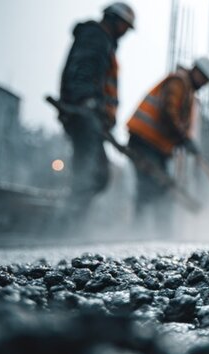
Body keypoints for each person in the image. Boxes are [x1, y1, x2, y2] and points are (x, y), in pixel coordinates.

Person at [58, 2, 135, 225]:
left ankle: (71, 222)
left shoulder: (103, 41)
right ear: (114, 20)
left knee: (97, 174)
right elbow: (82, 70)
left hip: (90, 115)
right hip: (84, 113)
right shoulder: (96, 36)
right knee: (90, 172)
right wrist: (88, 101)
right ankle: (66, 224)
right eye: (125, 26)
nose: (125, 32)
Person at [126, 57, 209, 233]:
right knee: (154, 186)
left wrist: (183, 139)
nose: (204, 84)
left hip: (155, 145)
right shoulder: (179, 82)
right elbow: (168, 112)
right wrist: (183, 139)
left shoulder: (187, 89)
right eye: (204, 79)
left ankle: (151, 232)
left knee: (159, 187)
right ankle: (147, 232)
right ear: (196, 71)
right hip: (145, 141)